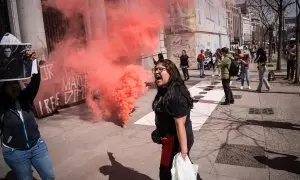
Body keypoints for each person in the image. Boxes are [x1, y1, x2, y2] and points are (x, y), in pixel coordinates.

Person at [0, 51, 55, 180]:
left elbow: (35, 81)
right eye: (10, 85)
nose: (14, 87)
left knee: (49, 176)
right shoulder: (2, 105)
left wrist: (34, 62)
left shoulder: (26, 97)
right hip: (16, 152)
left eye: (16, 84)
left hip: (37, 146)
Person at [151, 59, 200, 180]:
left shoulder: (176, 94)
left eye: (161, 69)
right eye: (155, 69)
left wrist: (183, 151)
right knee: (177, 170)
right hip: (170, 138)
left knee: (171, 171)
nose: (156, 71)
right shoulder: (165, 89)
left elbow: (179, 124)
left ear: (171, 72)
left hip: (178, 140)